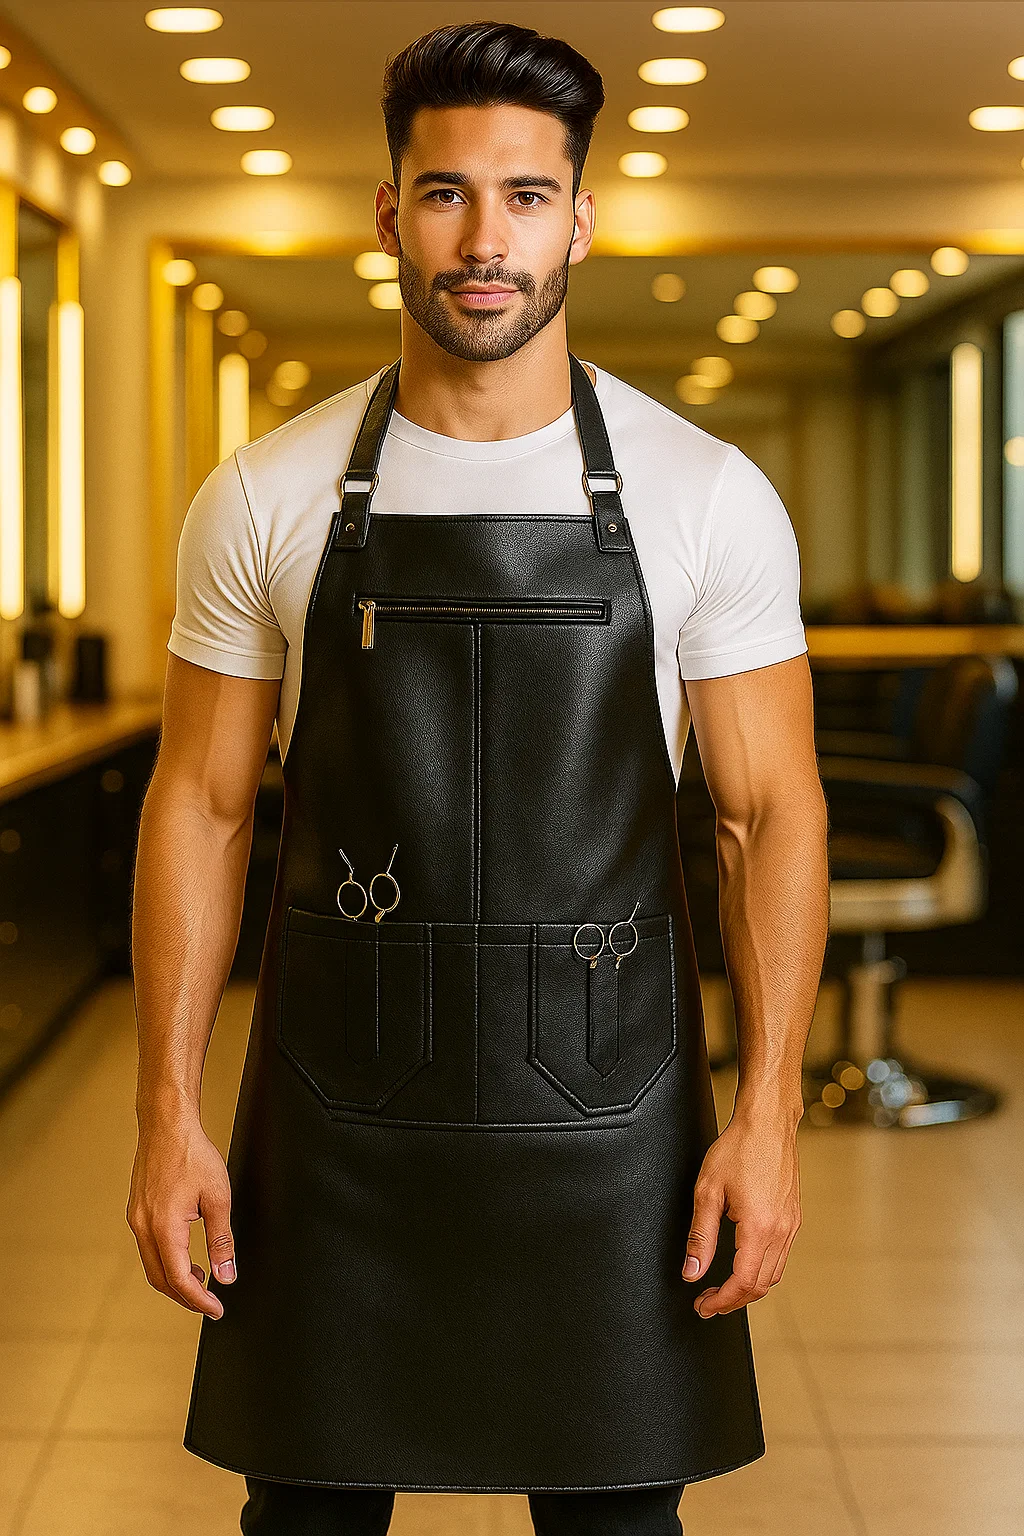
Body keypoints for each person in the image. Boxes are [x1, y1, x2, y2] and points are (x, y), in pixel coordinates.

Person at [127, 20, 829, 1536]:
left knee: (620, 1523)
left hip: (611, 1112)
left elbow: (765, 814)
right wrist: (166, 1111)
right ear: (389, 215)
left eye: (526, 196)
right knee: (304, 1519)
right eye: (446, 194)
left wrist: (768, 1116)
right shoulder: (266, 492)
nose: (485, 239)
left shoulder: (705, 493)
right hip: (338, 1111)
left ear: (582, 217)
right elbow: (201, 802)